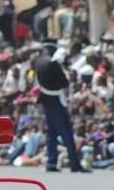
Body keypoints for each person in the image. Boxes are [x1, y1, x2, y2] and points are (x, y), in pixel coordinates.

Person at [36, 39, 91, 173]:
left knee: (51, 133)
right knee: (65, 131)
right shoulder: (53, 63)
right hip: (56, 99)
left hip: (45, 98)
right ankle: (74, 163)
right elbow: (64, 83)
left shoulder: (38, 61)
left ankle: (51, 162)